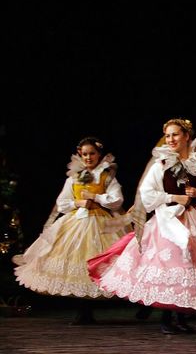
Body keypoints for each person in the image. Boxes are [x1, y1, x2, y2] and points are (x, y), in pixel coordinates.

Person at [89, 119, 196, 333]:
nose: (170, 139)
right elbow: (147, 194)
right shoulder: (161, 164)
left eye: (175, 134)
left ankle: (181, 315)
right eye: (168, 135)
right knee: (170, 263)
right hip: (168, 220)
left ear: (186, 136)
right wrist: (173, 197)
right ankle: (167, 318)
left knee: (192, 266)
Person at [14, 137, 126, 324]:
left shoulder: (106, 177)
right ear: (80, 155)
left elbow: (117, 200)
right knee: (76, 262)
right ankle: (83, 311)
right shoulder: (73, 177)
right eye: (85, 154)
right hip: (76, 221)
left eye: (92, 153)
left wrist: (96, 197)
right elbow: (62, 203)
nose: (88, 157)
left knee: (96, 261)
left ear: (99, 154)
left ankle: (88, 310)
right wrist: (77, 202)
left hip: (100, 222)